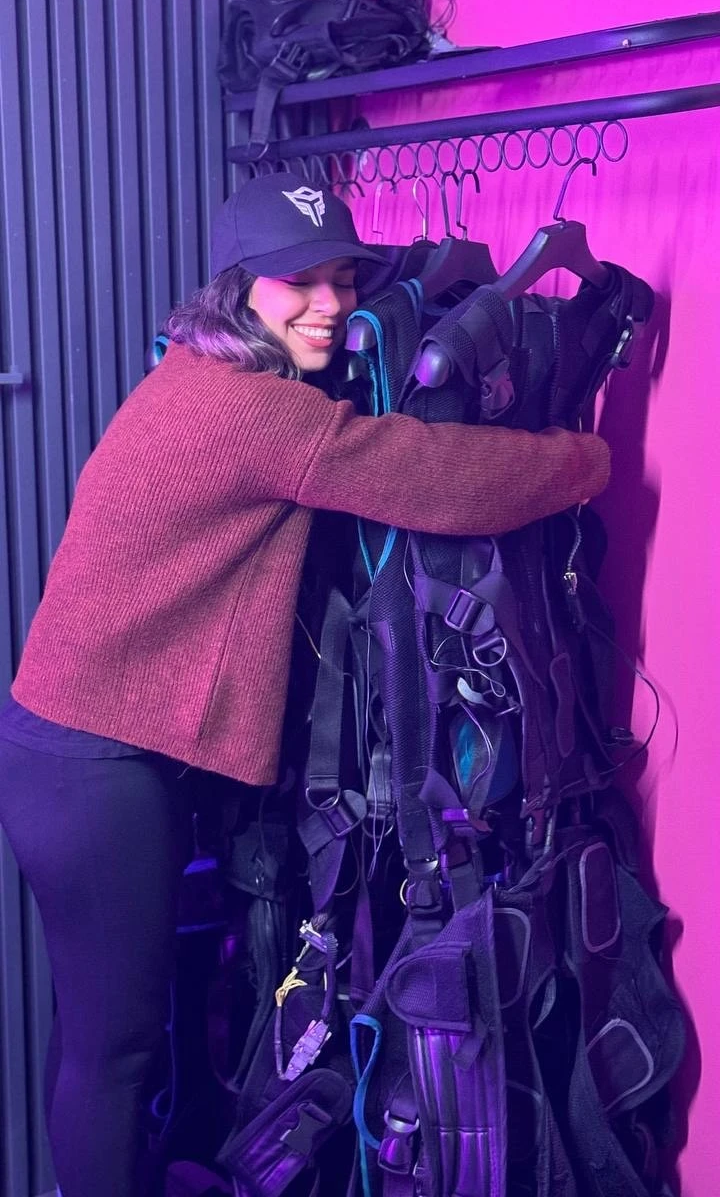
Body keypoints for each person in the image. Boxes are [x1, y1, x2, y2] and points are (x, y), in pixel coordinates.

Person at [0, 173, 610, 1197]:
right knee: (118, 1052)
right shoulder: (256, 415)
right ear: (238, 289)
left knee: (101, 1033)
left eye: (343, 279)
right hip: (92, 773)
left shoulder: (196, 372)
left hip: (71, 754)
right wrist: (585, 462)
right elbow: (427, 473)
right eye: (299, 282)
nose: (328, 304)